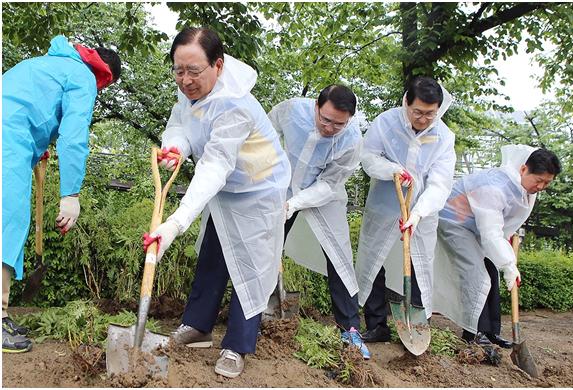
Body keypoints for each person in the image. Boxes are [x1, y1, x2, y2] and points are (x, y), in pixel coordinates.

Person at [144, 27, 291, 379]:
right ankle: (198, 326)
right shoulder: (188, 93)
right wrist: (176, 148)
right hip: (226, 191)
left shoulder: (234, 104)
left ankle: (238, 344)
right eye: (178, 71)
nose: (185, 80)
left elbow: (214, 166)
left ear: (219, 66)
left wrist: (175, 224)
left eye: (194, 71)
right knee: (213, 254)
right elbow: (179, 124)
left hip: (260, 191)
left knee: (251, 267)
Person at [2, 35, 121, 353]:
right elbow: (73, 136)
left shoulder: (49, 64)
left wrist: (38, 145)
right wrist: (70, 195)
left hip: (13, 130)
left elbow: (33, 107)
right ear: (105, 76)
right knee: (9, 220)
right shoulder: (84, 77)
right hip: (9, 134)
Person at [267, 85, 369, 359]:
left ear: (349, 120)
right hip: (282, 186)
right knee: (266, 246)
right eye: (325, 119)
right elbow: (266, 132)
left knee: (340, 258)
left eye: (339, 124)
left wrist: (296, 203)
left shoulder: (351, 141)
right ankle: (253, 311)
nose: (330, 128)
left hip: (325, 195)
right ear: (316, 106)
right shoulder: (291, 110)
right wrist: (271, 171)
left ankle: (350, 329)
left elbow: (329, 184)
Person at [355, 76, 456, 343]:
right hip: (385, 202)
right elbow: (368, 157)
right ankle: (376, 324)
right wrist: (393, 170)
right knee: (374, 259)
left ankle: (419, 324)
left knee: (420, 262)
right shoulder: (386, 122)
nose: (423, 119)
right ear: (406, 103)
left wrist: (419, 213)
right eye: (418, 112)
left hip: (423, 208)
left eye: (430, 114)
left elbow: (440, 182)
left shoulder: (444, 136)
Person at [433, 145, 561, 347]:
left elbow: (500, 226)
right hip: (454, 222)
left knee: (491, 272)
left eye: (547, 183)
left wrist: (504, 255)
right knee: (476, 272)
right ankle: (473, 333)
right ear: (523, 169)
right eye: (539, 181)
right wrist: (509, 264)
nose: (541, 187)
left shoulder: (524, 189)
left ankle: (490, 331)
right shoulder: (494, 187)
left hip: (478, 228)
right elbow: (491, 232)